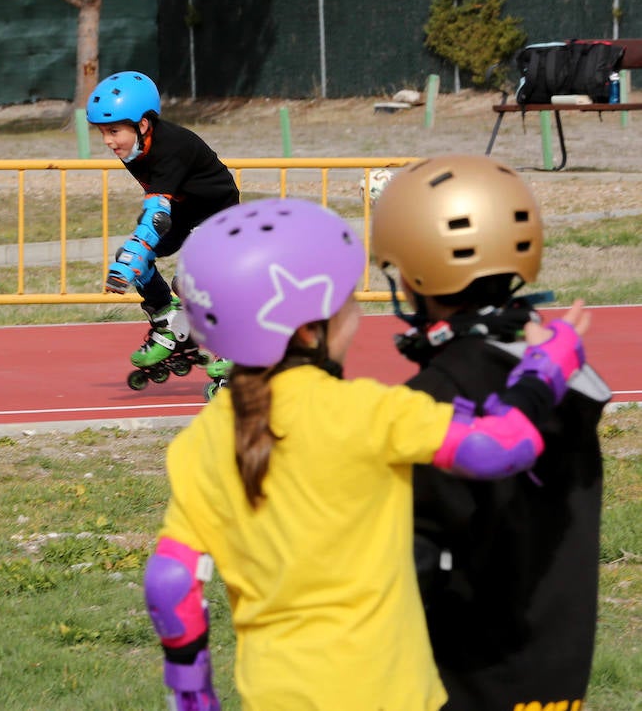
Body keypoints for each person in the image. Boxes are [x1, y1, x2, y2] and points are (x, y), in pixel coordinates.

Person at [143, 196, 589, 710]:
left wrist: (193, 697)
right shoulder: (366, 413)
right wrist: (547, 366)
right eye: (348, 302)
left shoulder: (199, 443)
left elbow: (171, 582)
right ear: (310, 329)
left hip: (274, 694)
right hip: (385, 693)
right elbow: (499, 449)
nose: (356, 314)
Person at [370, 155, 608, 711]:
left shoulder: (436, 398)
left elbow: (411, 568)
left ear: (412, 273)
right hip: (553, 684)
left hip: (464, 685)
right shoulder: (560, 379)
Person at [85, 71, 239, 393]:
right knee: (136, 260)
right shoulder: (134, 148)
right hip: (185, 212)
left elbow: (157, 217)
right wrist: (132, 260)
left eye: (113, 131)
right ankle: (170, 325)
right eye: (102, 132)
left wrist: (130, 261)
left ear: (143, 124)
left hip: (217, 214)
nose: (107, 141)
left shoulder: (171, 147)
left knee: (187, 280)